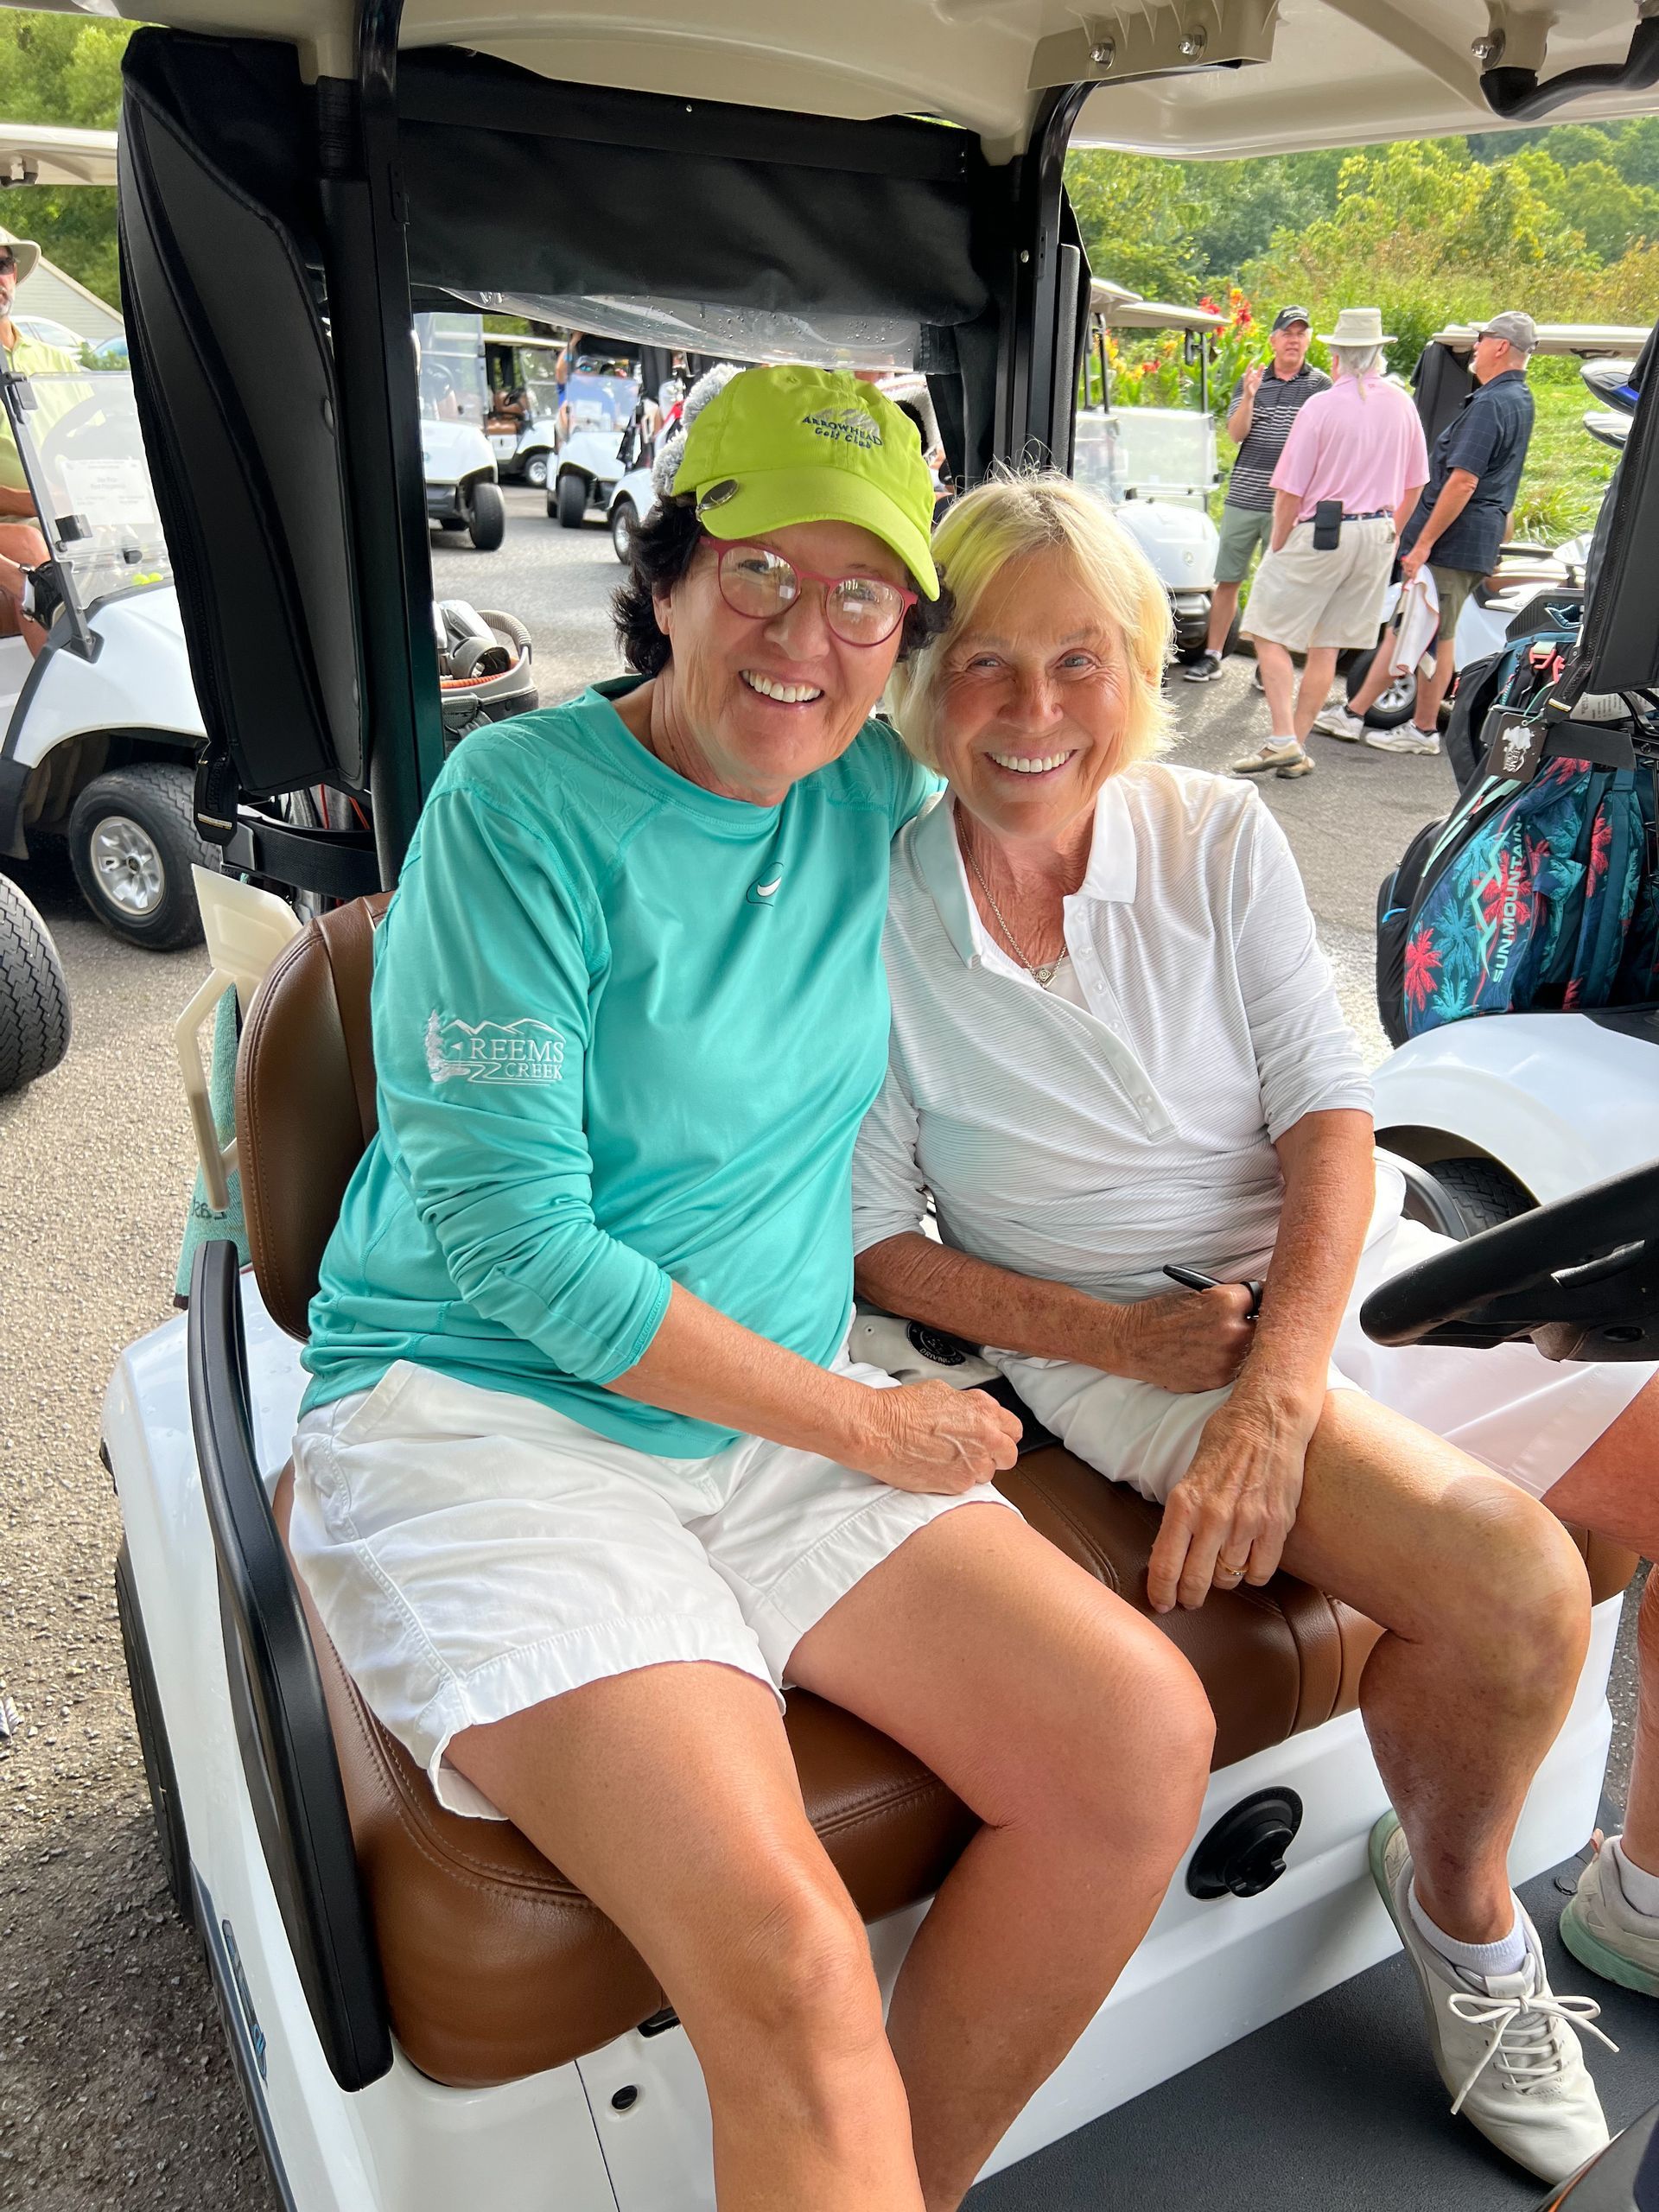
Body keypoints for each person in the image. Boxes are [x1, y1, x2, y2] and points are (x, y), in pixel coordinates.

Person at [287, 365, 1216, 2212]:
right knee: (788, 1956)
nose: (808, 633)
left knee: (1138, 1735)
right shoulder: (519, 805)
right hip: (493, 1418)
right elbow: (518, 1248)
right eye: (760, 573)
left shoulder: (877, 778)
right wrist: (868, 1417)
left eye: (864, 592)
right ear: (670, 574)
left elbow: (1063, 729)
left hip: (768, 1407)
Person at [856, 467, 1659, 2184]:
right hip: (1125, 1343)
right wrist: (1126, 1343)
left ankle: (1635, 1880)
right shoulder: (872, 915)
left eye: (1081, 661)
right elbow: (871, 1247)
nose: (1034, 711)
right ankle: (1462, 1912)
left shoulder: (1215, 829)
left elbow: (1327, 1119)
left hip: (1315, 1281)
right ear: (924, 680)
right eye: (987, 662)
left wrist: (1285, 1389)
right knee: (1515, 1586)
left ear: (1141, 669)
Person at [1323, 310, 1539, 757]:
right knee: (1430, 633)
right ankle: (1397, 722)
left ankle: (1383, 721)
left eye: (1481, 339)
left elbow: (1463, 481)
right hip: (1472, 540)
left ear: (1500, 346)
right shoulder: (1519, 399)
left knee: (1414, 628)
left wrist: (1422, 543)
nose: (1475, 348)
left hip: (1452, 542)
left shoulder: (1491, 403)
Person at [1231, 308, 1427, 779]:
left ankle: (1282, 739)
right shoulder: (1402, 403)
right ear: (1378, 353)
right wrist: (1392, 530)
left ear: (1337, 356)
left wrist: (1278, 542)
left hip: (1324, 528)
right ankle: (1295, 745)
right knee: (1329, 643)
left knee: (1264, 626)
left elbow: (1290, 489)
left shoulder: (1320, 405)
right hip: (1378, 530)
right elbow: (1417, 482)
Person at [1184, 306, 1329, 683]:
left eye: (1301, 332)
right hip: (1244, 496)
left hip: (1291, 502)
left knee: (1280, 583)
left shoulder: (1319, 385)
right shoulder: (1252, 379)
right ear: (1274, 340)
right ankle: (1214, 654)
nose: (1294, 339)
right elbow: (1236, 433)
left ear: (1308, 339)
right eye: (1288, 332)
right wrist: (1249, 396)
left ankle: (1269, 663)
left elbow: (1324, 441)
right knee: (1228, 579)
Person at [0, 240, 77, 654]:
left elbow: (100, 450)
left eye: (1, 264)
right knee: (34, 549)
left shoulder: (57, 362)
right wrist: (29, 502)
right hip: (20, 523)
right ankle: (70, 706)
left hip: (64, 517)